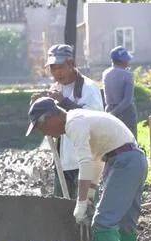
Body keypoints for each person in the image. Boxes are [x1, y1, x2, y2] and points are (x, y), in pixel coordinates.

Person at [26, 97, 148, 241]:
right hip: (132, 159)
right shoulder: (80, 119)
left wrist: (81, 203)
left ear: (51, 118)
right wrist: (91, 191)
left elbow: (85, 163)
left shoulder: (74, 123)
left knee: (103, 221)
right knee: (125, 221)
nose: (46, 134)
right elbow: (97, 159)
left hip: (124, 162)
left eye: (42, 128)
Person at [31, 44, 104, 199]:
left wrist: (64, 102)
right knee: (62, 209)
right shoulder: (55, 88)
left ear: (71, 64)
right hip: (63, 160)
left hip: (84, 160)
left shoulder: (89, 88)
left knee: (85, 207)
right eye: (53, 68)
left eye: (60, 67)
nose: (57, 73)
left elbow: (94, 119)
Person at [102, 46, 138, 137]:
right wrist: (114, 113)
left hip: (109, 110)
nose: (128, 62)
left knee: (112, 142)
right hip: (126, 114)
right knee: (130, 142)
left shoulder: (105, 74)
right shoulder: (127, 75)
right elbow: (127, 100)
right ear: (123, 61)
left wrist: (110, 113)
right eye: (127, 60)